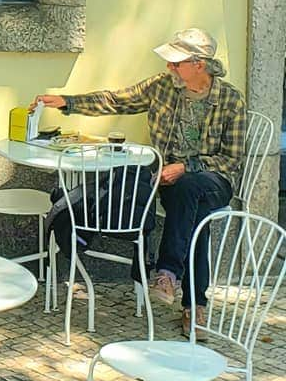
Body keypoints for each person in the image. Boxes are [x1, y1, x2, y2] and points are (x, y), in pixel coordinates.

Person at [32, 28, 246, 331]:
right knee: (195, 216)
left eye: (176, 62)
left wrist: (185, 167)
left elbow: (231, 159)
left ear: (199, 64)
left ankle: (169, 272)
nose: (169, 67)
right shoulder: (162, 87)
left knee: (191, 190)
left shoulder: (230, 100)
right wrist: (67, 102)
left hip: (213, 181)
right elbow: (116, 100)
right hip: (169, 181)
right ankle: (194, 306)